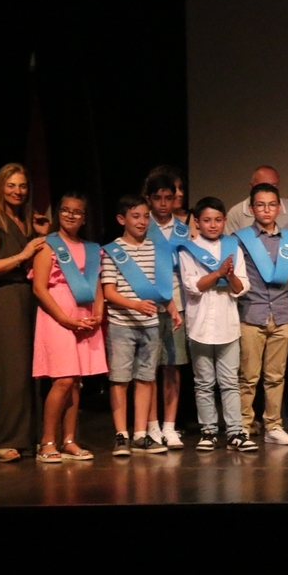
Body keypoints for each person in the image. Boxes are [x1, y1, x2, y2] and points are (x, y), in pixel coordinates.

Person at [0, 164, 47, 462]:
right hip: (5, 296)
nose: (18, 191)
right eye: (11, 186)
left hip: (27, 296)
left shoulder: (23, 221)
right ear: (0, 188)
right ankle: (2, 441)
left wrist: (42, 234)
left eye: (22, 186)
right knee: (11, 370)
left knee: (31, 368)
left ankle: (29, 439)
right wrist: (23, 254)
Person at [100, 194, 180, 455]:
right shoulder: (112, 250)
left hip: (151, 324)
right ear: (122, 219)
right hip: (121, 323)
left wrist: (172, 309)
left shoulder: (156, 250)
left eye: (146, 216)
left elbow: (161, 289)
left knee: (146, 378)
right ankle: (121, 436)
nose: (142, 221)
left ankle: (141, 434)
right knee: (120, 379)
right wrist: (135, 305)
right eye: (136, 216)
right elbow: (109, 292)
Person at [31, 192, 106, 462]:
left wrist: (98, 313)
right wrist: (64, 319)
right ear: (58, 214)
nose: (71, 215)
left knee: (76, 382)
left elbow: (97, 285)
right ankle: (47, 441)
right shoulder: (47, 246)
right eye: (65, 210)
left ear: (84, 218)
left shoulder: (92, 249)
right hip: (57, 315)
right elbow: (39, 288)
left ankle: (69, 440)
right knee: (62, 380)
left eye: (77, 212)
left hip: (83, 315)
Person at [178, 197, 255, 452]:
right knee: (203, 383)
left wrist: (230, 274)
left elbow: (241, 287)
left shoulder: (233, 248)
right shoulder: (188, 250)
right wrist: (219, 273)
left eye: (218, 220)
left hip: (227, 326)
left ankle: (235, 432)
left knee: (230, 382)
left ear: (224, 221)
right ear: (197, 223)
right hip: (199, 325)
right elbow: (193, 286)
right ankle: (208, 430)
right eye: (207, 220)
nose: (213, 225)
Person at [235, 182, 288, 446]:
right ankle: (242, 425)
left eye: (272, 204)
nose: (266, 209)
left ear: (279, 208)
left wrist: (283, 287)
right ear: (252, 208)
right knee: (248, 376)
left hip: (282, 313)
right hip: (252, 313)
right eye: (261, 205)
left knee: (276, 376)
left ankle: (273, 425)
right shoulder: (241, 239)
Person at [143, 171, 187, 449]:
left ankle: (170, 426)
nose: (162, 203)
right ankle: (151, 425)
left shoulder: (184, 228)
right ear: (148, 199)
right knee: (149, 369)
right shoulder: (141, 224)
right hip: (146, 305)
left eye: (168, 198)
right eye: (157, 198)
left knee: (172, 365)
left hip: (177, 305)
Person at [224, 165, 288, 235]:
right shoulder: (235, 213)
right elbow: (231, 246)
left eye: (274, 186)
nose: (268, 191)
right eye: (263, 186)